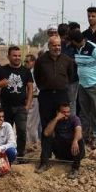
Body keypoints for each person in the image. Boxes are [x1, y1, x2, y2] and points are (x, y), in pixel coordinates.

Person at [33, 35, 77, 173]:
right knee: (47, 128)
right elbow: (37, 77)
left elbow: (71, 77)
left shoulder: (67, 60)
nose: (57, 48)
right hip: (46, 97)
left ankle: (64, 156)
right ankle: (44, 160)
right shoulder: (41, 60)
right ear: (49, 46)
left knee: (63, 125)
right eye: (54, 45)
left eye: (59, 45)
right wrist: (47, 87)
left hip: (62, 96)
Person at [69, 28, 96, 147]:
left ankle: (95, 136)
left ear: (75, 41)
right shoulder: (75, 48)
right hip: (83, 84)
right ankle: (84, 136)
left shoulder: (93, 48)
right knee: (84, 113)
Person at [1, 46, 33, 161]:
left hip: (21, 107)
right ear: (8, 56)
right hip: (5, 107)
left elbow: (30, 88)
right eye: (14, 55)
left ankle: (20, 155)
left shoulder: (26, 71)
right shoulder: (2, 70)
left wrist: (28, 106)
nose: (17, 58)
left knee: (22, 131)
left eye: (19, 56)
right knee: (5, 133)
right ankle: (5, 155)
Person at [42, 102, 84, 179]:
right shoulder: (55, 120)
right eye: (63, 112)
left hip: (74, 151)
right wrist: (56, 119)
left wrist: (75, 141)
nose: (66, 114)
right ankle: (44, 164)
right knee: (47, 138)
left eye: (68, 112)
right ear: (58, 112)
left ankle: (75, 169)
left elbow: (79, 131)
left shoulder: (74, 119)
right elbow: (46, 133)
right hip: (61, 151)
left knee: (79, 139)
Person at [24, 53, 41, 150]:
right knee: (27, 124)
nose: (25, 63)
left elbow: (33, 88)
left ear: (33, 62)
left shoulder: (35, 73)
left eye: (27, 61)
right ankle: (29, 143)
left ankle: (33, 143)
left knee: (32, 124)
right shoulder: (27, 72)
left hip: (34, 98)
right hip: (27, 99)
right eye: (25, 62)